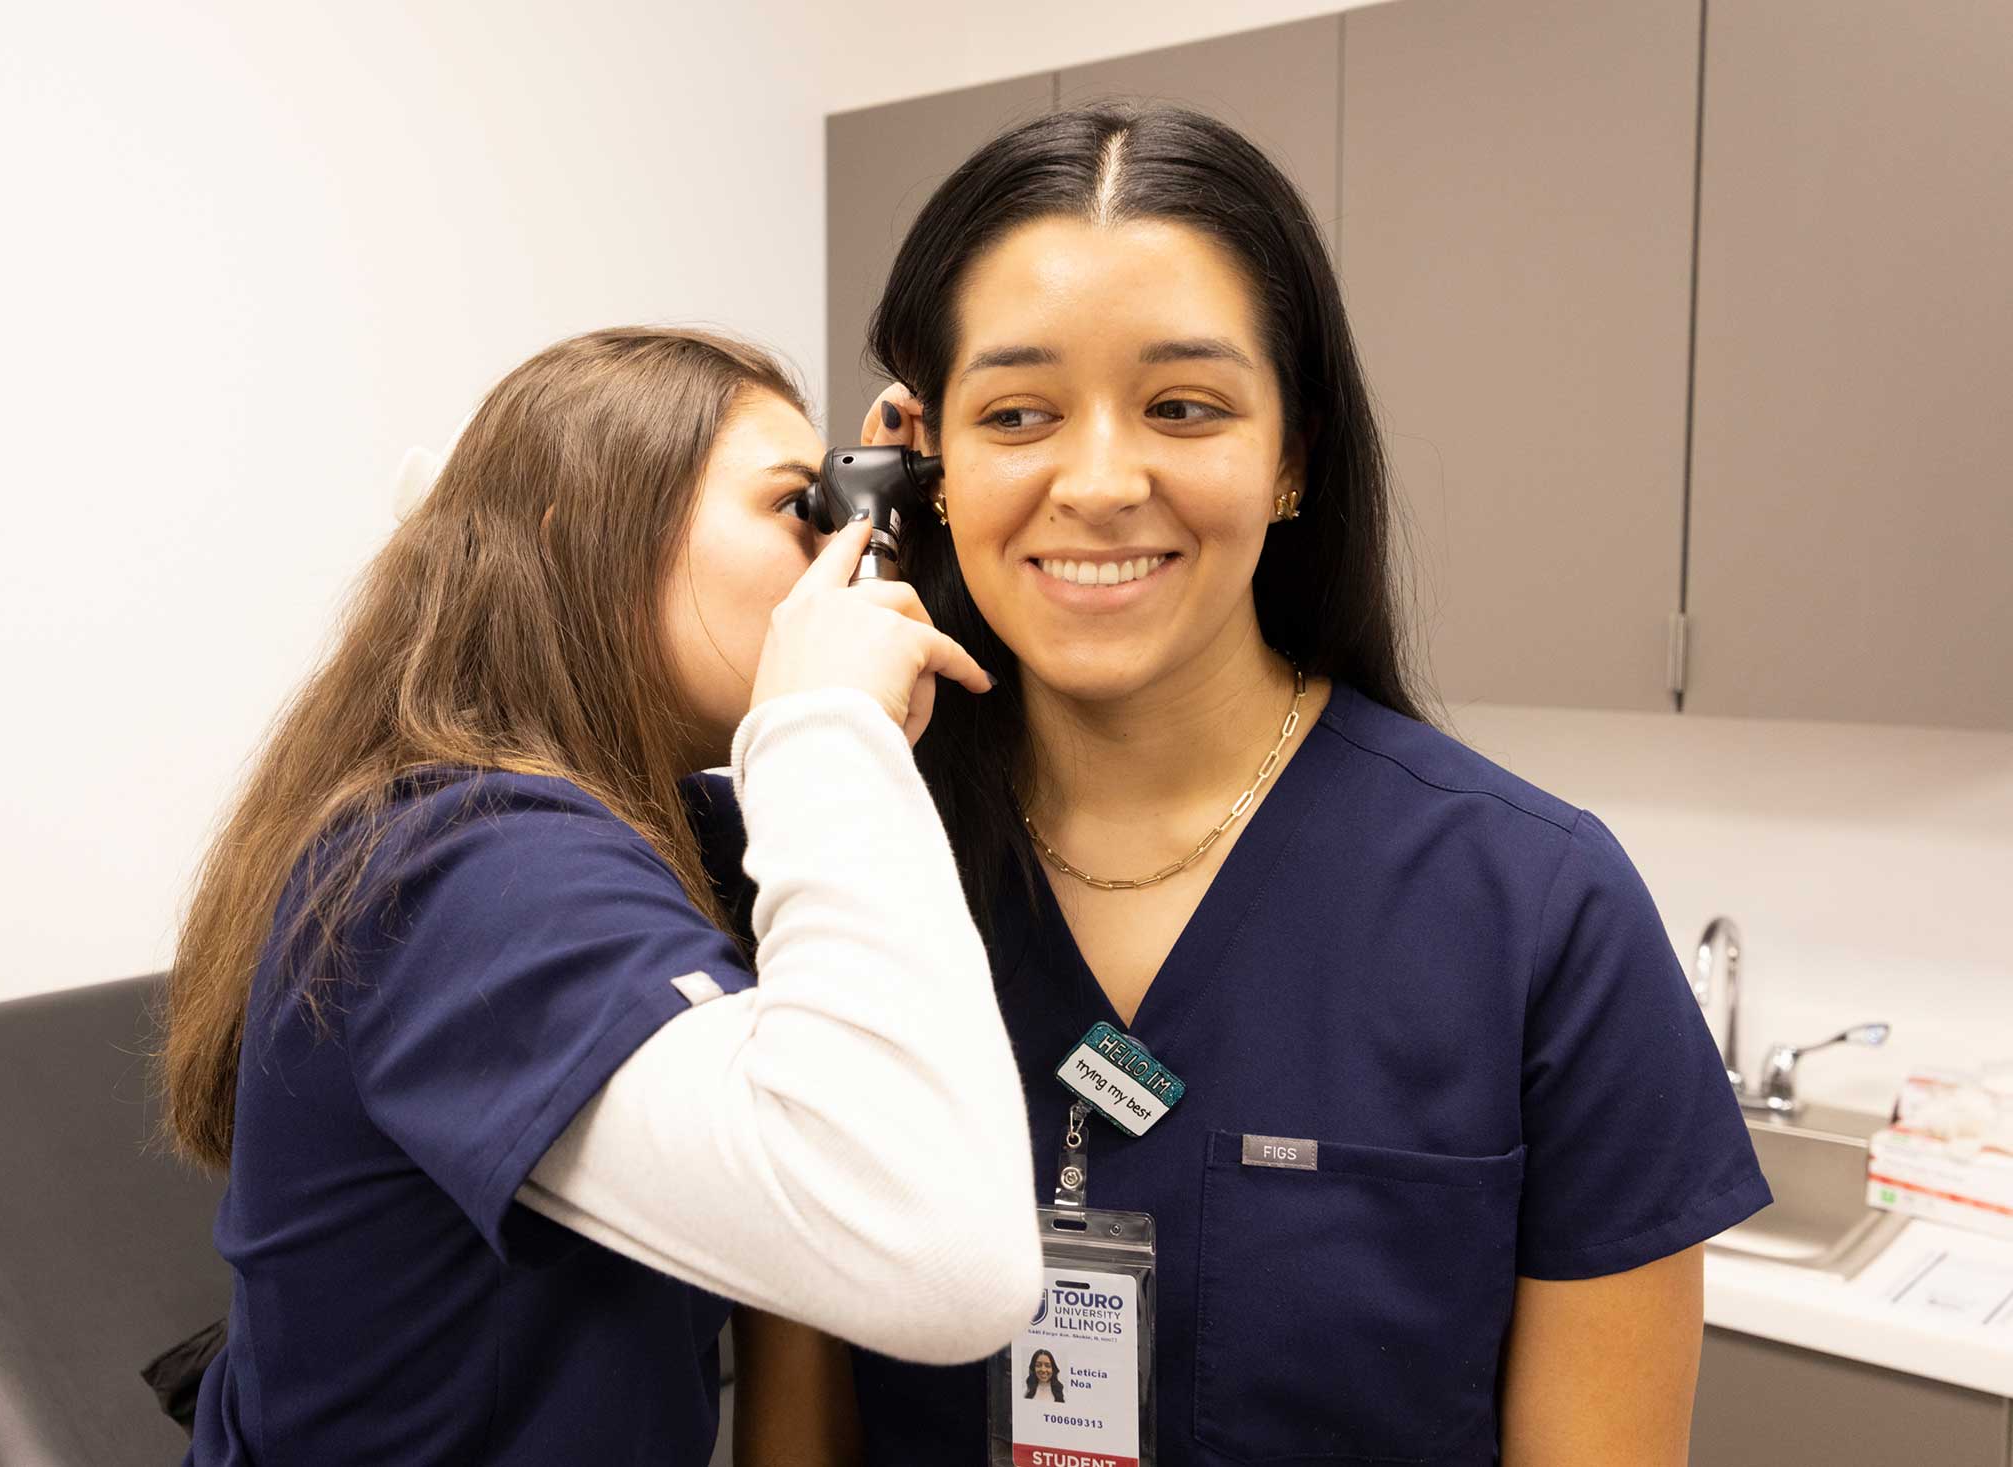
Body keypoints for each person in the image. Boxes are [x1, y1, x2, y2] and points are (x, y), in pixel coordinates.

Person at [736, 105, 1769, 1467]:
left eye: (1183, 406)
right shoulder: (842, 869)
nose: (1099, 483)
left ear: (1292, 455)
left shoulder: (1536, 914)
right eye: (1018, 414)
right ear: (930, 464)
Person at [157, 327, 1042, 1466]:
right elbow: (947, 1264)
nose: (840, 551)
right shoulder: (466, 870)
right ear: (578, 545)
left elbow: (894, 896)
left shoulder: (669, 831)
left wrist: (932, 516)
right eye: (798, 506)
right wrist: (823, 728)